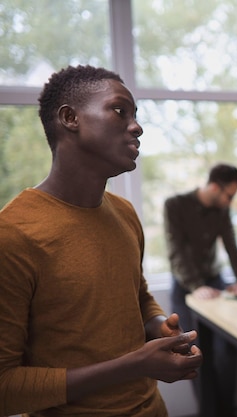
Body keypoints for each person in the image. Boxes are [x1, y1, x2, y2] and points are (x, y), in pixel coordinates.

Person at [0, 65, 202, 416]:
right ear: (70, 118)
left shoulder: (124, 213)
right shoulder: (14, 235)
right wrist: (135, 365)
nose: (137, 126)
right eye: (119, 110)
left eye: (136, 115)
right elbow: (4, 388)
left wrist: (158, 325)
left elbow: (137, 295)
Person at [163, 163, 237, 417]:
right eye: (230, 195)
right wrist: (196, 286)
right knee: (196, 355)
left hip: (215, 284)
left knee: (227, 352)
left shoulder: (222, 211)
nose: (231, 201)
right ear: (214, 187)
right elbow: (175, 251)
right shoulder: (175, 205)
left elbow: (232, 245)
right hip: (186, 287)